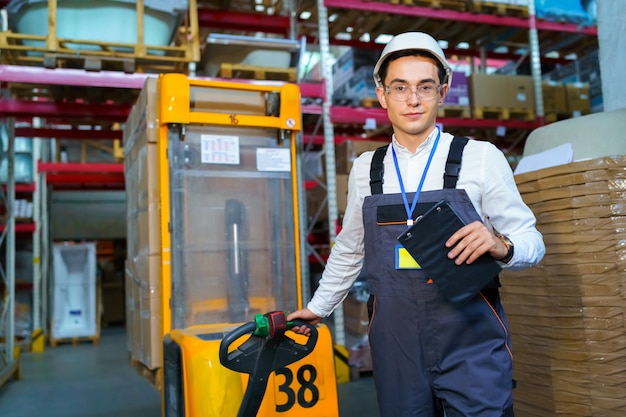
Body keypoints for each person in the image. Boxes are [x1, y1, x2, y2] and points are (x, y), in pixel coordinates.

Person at [288, 32, 546, 417]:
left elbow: (533, 241)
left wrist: (501, 244)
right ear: (382, 95)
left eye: (425, 87)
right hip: (396, 344)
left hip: (470, 337)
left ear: (442, 93)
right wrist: (318, 307)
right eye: (400, 87)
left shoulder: (479, 158)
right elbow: (350, 247)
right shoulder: (366, 169)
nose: (413, 99)